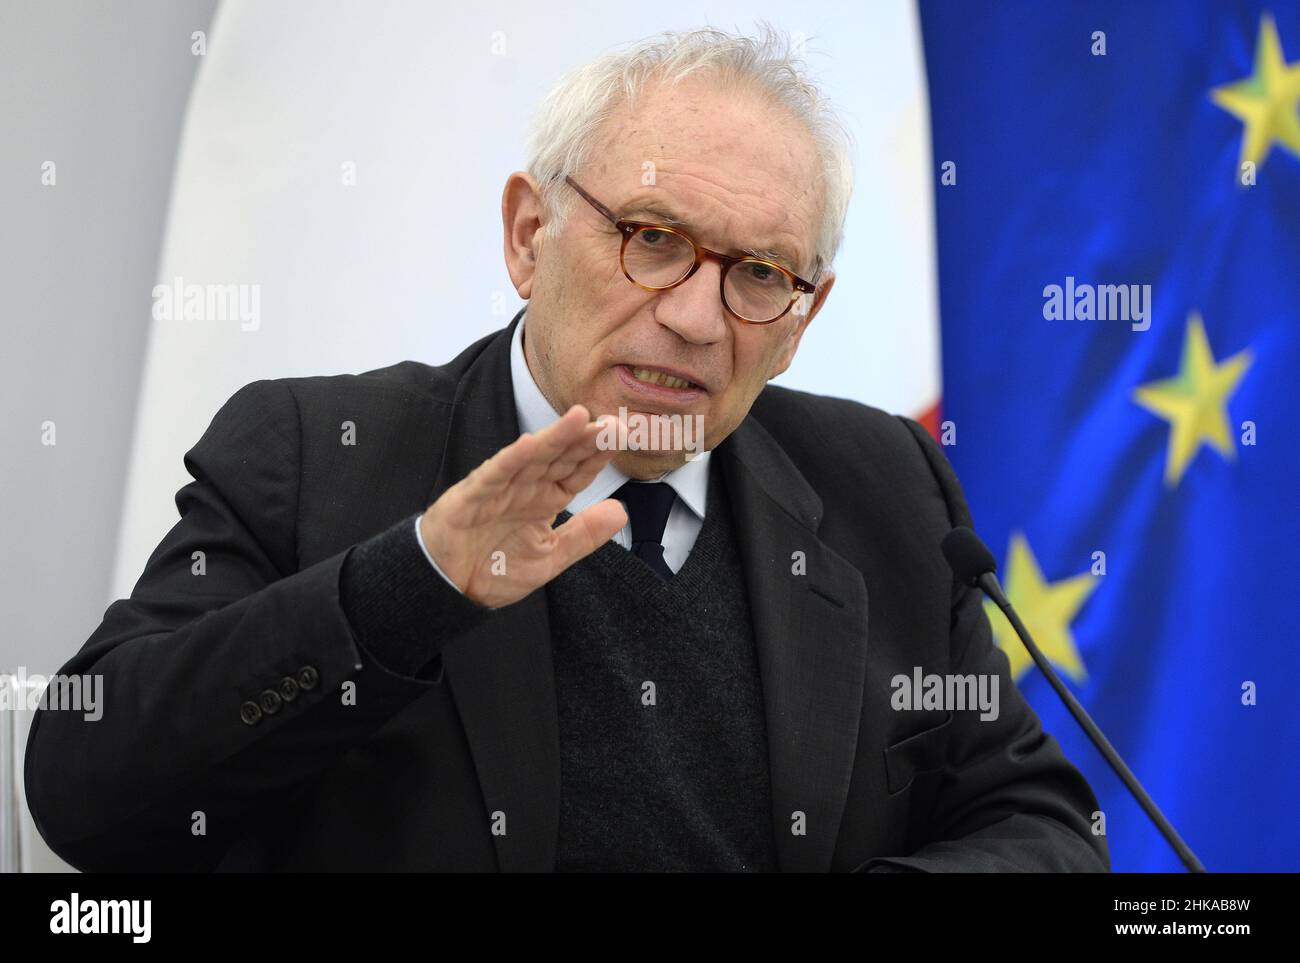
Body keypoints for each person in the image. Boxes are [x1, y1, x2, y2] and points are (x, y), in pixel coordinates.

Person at [25, 26, 1108, 872]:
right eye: (652, 240)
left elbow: (1041, 826)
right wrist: (405, 588)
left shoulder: (884, 489)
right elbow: (87, 789)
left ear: (802, 319)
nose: (694, 317)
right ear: (527, 236)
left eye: (759, 274)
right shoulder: (313, 453)